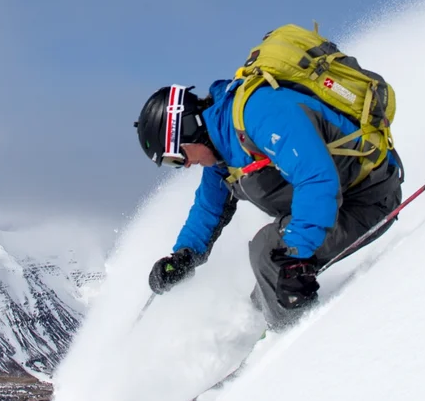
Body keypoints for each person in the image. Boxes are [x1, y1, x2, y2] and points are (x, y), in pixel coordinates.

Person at [134, 79, 402, 330]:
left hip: (369, 197)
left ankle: (291, 343)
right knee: (266, 287)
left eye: (176, 158)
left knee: (269, 253)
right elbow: (209, 207)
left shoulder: (260, 113)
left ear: (189, 128)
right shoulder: (223, 148)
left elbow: (316, 177)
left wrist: (296, 255)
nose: (185, 165)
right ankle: (262, 330)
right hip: (339, 202)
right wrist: (183, 256)